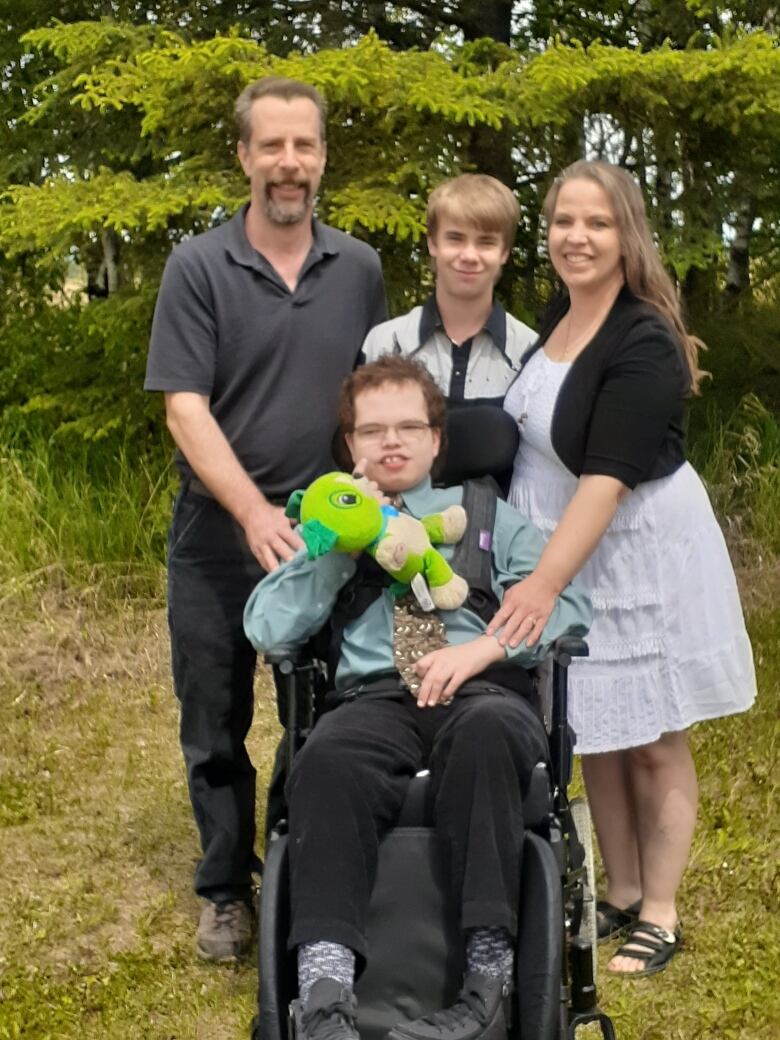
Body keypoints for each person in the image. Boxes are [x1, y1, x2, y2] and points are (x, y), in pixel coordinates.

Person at [244, 356, 590, 1040]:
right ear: (351, 446)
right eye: (373, 431)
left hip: (482, 688)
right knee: (327, 758)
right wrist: (342, 544)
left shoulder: (490, 517)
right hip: (373, 697)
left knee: (489, 733)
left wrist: (485, 648)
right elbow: (266, 627)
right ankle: (323, 1001)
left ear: (437, 440)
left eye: (408, 427)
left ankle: (488, 990)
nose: (391, 442)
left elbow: (568, 606)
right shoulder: (326, 525)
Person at [489, 159, 756, 977]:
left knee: (652, 736)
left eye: (596, 223)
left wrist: (539, 586)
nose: (577, 237)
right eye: (564, 220)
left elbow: (604, 482)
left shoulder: (641, 338)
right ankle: (622, 889)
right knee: (595, 728)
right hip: (571, 548)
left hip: (635, 553)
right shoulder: (558, 315)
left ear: (627, 235)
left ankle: (664, 911)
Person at [144, 76, 386, 962]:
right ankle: (224, 887)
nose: (290, 163)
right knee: (214, 717)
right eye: (272, 146)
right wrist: (249, 510)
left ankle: (298, 861)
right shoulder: (198, 267)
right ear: (244, 156)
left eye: (305, 146)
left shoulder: (358, 268)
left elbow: (372, 396)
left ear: (323, 158)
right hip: (218, 535)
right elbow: (184, 407)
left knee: (320, 712)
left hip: (324, 539)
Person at [361, 174, 535, 406]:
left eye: (486, 242)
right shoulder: (384, 344)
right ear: (433, 243)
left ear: (504, 252)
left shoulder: (529, 354)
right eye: (455, 239)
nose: (469, 256)